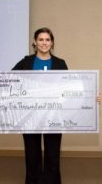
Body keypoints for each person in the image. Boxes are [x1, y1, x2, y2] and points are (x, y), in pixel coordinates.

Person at [12, 27, 67, 184]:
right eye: (41, 39)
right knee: (32, 155)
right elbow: (9, 81)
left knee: (52, 155)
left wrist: (90, 97)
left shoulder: (60, 63)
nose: (44, 43)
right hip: (30, 116)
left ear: (52, 42)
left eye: (47, 40)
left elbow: (69, 88)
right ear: (35, 42)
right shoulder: (26, 62)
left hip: (54, 116)